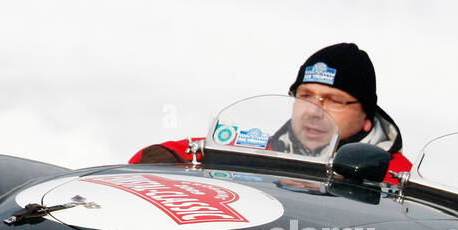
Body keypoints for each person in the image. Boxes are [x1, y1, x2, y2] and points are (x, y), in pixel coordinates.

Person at [130, 42, 412, 183]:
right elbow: (201, 150)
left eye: (332, 100)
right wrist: (163, 160)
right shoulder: (271, 149)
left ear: (366, 118)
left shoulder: (396, 177)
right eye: (305, 96)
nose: (314, 110)